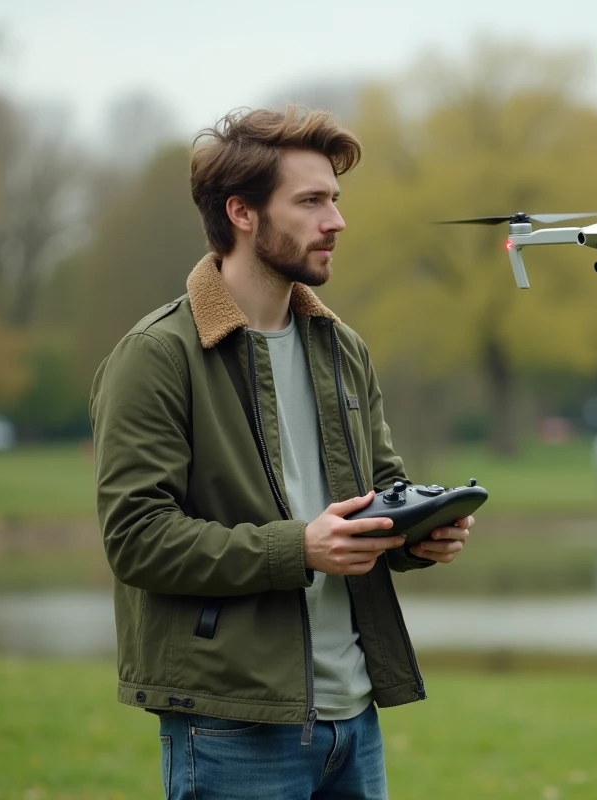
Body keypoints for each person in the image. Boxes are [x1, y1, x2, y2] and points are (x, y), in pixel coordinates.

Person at [88, 106, 474, 800]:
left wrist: (421, 533)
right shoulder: (157, 355)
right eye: (311, 201)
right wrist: (299, 549)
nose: (337, 221)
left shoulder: (342, 348)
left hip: (354, 718)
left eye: (335, 199)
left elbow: (379, 492)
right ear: (242, 212)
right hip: (230, 725)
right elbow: (137, 539)